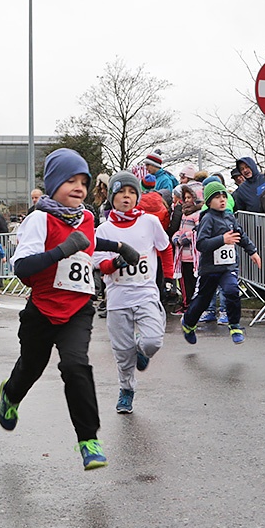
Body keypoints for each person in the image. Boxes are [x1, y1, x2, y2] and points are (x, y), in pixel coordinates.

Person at [0, 148, 140, 471]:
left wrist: (119, 247)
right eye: (69, 180)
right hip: (42, 309)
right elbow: (22, 268)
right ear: (53, 183)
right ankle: (11, 394)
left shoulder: (87, 217)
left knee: (75, 366)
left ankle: (88, 440)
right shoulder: (39, 219)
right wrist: (62, 250)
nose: (78, 187)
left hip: (77, 307)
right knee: (32, 366)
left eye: (83, 182)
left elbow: (87, 240)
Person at [94, 171, 173, 414]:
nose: (126, 197)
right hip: (118, 297)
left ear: (137, 196)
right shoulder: (104, 229)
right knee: (122, 352)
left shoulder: (149, 222)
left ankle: (141, 349)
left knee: (152, 341)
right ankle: (126, 390)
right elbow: (100, 265)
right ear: (112, 197)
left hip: (146, 292)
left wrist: (169, 279)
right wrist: (117, 262)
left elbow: (165, 248)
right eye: (121, 192)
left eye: (131, 192)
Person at [181, 181, 262, 345]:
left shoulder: (229, 216)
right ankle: (188, 323)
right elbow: (201, 244)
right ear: (209, 202)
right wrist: (222, 239)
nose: (222, 200)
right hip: (210, 268)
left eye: (224, 196)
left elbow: (240, 235)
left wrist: (252, 251)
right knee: (203, 300)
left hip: (228, 266)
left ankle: (234, 325)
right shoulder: (208, 219)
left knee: (232, 291)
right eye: (217, 197)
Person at [172, 183, 204, 315]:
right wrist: (176, 237)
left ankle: (195, 307)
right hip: (183, 256)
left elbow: (198, 232)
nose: (186, 201)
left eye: (190, 197)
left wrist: (185, 238)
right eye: (185, 198)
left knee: (195, 282)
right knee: (185, 283)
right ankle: (186, 305)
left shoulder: (199, 214)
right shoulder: (185, 214)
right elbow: (180, 230)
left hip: (193, 255)